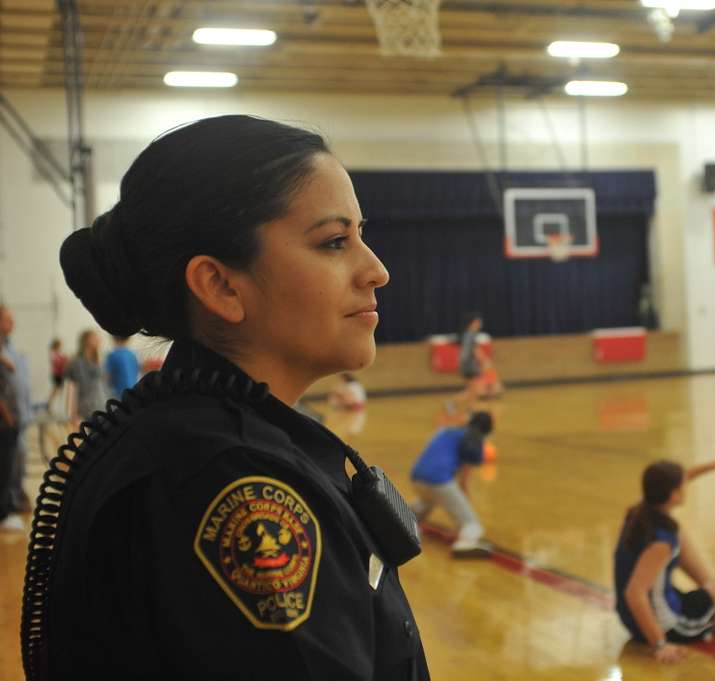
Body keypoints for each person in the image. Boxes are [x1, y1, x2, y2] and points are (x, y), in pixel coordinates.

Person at [23, 115, 429, 680]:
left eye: (361, 236)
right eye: (334, 242)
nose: (376, 271)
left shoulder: (198, 439)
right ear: (220, 286)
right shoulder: (228, 477)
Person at [614, 458, 715, 663]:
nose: (687, 484)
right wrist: (660, 644)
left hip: (633, 619)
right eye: (683, 485)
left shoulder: (639, 512)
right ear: (674, 495)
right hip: (673, 626)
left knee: (678, 532)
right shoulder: (660, 541)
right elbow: (634, 593)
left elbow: (684, 476)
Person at [410, 411, 493, 557]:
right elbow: (464, 479)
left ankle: (402, 522)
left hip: (417, 477)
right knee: (472, 524)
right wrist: (464, 503)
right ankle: (465, 544)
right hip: (438, 480)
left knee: (426, 503)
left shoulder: (448, 431)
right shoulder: (474, 438)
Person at [0, 304, 31, 514]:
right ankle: (6, 508)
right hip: (6, 419)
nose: (13, 324)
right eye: (8, 319)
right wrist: (7, 416)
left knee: (17, 463)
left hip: (18, 416)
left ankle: (14, 499)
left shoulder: (9, 348)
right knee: (6, 466)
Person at [65, 329, 110, 420]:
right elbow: (72, 388)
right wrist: (71, 412)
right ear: (86, 340)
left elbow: (104, 384)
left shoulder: (100, 361)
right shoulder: (76, 363)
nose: (99, 339)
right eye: (95, 337)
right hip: (86, 409)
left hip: (102, 406)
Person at [0, 352, 22, 531]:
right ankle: (3, 514)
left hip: (8, 424)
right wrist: (9, 419)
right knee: (4, 469)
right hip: (4, 425)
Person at [47, 338, 68, 408]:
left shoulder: (57, 353)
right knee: (56, 390)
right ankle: (49, 404)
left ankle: (51, 404)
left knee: (57, 390)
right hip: (57, 374)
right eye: (60, 345)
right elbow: (57, 363)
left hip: (60, 374)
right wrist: (64, 360)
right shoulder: (54, 353)